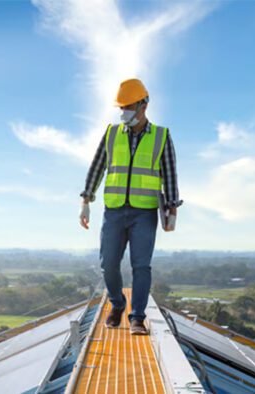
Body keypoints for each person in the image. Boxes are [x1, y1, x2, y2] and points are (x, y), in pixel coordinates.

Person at [79, 78, 182, 335]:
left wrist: (172, 209)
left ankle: (137, 317)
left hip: (144, 212)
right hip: (114, 209)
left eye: (127, 106)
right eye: (121, 107)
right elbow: (97, 167)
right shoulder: (112, 134)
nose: (123, 112)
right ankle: (117, 304)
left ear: (143, 105)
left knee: (141, 265)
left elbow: (170, 174)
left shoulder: (161, 136)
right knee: (108, 264)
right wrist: (85, 200)